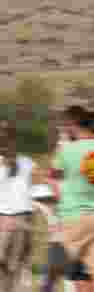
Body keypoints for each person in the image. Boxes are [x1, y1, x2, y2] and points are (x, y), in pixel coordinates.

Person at [50, 106, 94, 292]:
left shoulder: (65, 150)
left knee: (54, 270)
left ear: (72, 125)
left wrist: (62, 143)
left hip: (73, 217)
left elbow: (53, 179)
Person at [0, 120, 35, 292]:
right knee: (6, 264)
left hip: (22, 217)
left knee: (15, 264)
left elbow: (36, 190)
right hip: (3, 218)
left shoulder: (27, 162)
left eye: (7, 134)